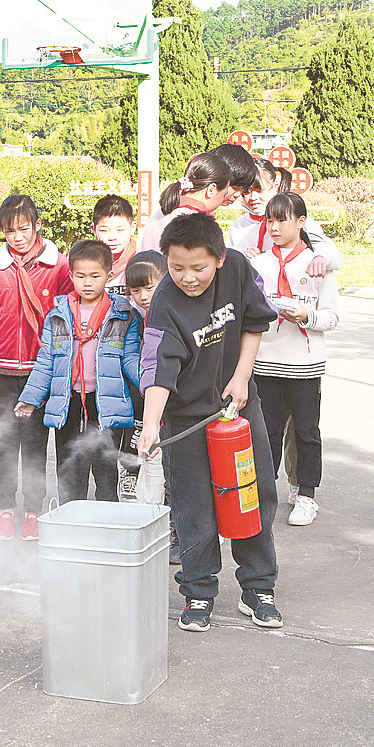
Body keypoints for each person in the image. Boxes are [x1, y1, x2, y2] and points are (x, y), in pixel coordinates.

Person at [135, 212, 283, 633]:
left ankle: (258, 587)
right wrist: (150, 426)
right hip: (186, 418)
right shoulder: (165, 301)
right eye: (177, 267)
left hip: (238, 408)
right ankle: (198, 593)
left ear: (217, 258)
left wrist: (241, 376)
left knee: (252, 497)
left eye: (198, 267)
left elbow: (254, 320)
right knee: (192, 508)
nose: (188, 277)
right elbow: (159, 370)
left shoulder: (236, 267)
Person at [0, 194, 71, 540]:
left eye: (23, 229)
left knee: (35, 444)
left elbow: (68, 317)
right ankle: (5, 510)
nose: (17, 237)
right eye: (9, 231)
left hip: (40, 371)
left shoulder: (59, 266)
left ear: (37, 225)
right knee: (1, 442)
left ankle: (33, 510)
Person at [16, 240, 142, 504]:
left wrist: (150, 385)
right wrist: (31, 397)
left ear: (108, 276)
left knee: (107, 472)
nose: (87, 282)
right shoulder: (58, 315)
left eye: (95, 276)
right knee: (71, 469)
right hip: (69, 404)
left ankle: (105, 529)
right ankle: (72, 525)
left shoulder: (123, 314)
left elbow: (130, 357)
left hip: (106, 405)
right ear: (71, 275)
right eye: (81, 276)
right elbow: (46, 360)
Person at [251, 193, 339, 528]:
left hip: (305, 364)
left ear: (301, 222)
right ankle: (264, 494)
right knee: (267, 431)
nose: (274, 227)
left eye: (282, 219)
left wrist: (306, 315)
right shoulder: (258, 265)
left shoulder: (319, 264)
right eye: (269, 220)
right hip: (266, 360)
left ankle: (306, 494)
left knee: (306, 431)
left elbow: (332, 317)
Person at [228, 160, 341, 269]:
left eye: (259, 190)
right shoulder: (237, 228)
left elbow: (332, 254)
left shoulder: (295, 220)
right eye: (246, 192)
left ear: (275, 186)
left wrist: (320, 258)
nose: (253, 198)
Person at [122, 252, 167, 508]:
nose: (143, 297)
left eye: (150, 288)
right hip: (148, 394)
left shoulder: (169, 313)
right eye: (136, 291)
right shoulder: (140, 318)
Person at [136, 152, 232, 252]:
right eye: (224, 194)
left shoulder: (163, 211)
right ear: (211, 189)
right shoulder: (195, 222)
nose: (221, 201)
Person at [91, 194, 138, 296]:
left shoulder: (143, 261)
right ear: (94, 230)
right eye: (104, 230)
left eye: (120, 230)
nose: (112, 237)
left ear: (133, 227)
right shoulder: (85, 263)